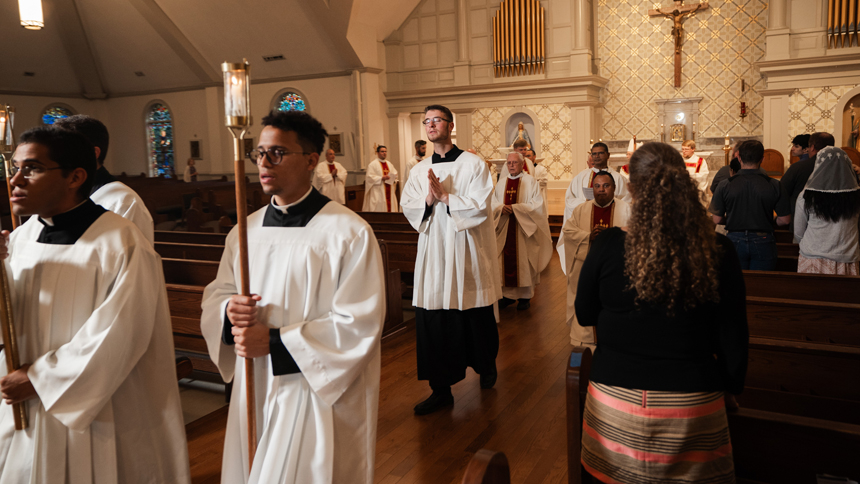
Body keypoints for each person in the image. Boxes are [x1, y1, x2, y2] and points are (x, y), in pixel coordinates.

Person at [201, 110, 384, 483]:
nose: (264, 163)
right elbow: (218, 292)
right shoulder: (244, 231)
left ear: (311, 160)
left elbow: (358, 323)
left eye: (278, 153)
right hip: (254, 381)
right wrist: (227, 311)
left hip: (313, 388)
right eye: (260, 153)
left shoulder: (348, 233)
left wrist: (272, 342)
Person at [0, 127, 190, 483]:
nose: (16, 180)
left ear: (76, 177)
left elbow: (120, 334)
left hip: (98, 411)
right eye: (15, 167)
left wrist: (41, 378)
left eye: (33, 168)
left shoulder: (120, 242)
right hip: (23, 405)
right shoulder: (21, 239)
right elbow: (9, 321)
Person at [575, 142, 748, 484]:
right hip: (693, 399)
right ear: (684, 181)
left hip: (614, 398)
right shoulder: (718, 249)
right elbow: (733, 332)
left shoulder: (609, 245)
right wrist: (730, 388)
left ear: (631, 188)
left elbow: (584, 313)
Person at [400, 104, 501, 415]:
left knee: (474, 311)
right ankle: (440, 389)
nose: (431, 126)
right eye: (426, 121)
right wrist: (429, 199)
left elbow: (482, 206)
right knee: (433, 315)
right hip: (434, 252)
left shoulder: (473, 164)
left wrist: (447, 197)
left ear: (450, 125)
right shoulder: (418, 171)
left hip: (465, 248)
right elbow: (409, 207)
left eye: (437, 120)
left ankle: (486, 366)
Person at [53, 114, 154, 244]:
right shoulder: (53, 198)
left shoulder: (124, 202)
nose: (54, 158)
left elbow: (137, 261)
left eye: (63, 151)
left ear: (93, 153)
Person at [557, 170, 630, 347]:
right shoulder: (581, 209)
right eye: (597, 186)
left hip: (615, 271)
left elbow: (637, 235)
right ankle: (584, 338)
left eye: (606, 186)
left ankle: (615, 338)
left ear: (614, 188)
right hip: (586, 269)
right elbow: (568, 232)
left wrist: (613, 237)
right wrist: (587, 236)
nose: (601, 190)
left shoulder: (626, 209)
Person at [709, 140, 791, 270]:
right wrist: (770, 220)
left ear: (739, 158)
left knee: (736, 284)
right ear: (762, 159)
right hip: (763, 238)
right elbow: (785, 220)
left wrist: (731, 219)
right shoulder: (775, 185)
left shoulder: (724, 185)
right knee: (762, 284)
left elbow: (717, 219)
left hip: (734, 238)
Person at [493, 152, 552, 310]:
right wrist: (500, 208)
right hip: (505, 227)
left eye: (514, 162)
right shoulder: (501, 183)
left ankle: (525, 297)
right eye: (509, 163)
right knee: (503, 262)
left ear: (522, 164)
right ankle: (507, 296)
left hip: (523, 229)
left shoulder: (530, 181)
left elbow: (537, 205)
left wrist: (516, 208)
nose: (511, 165)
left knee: (524, 261)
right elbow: (493, 202)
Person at [794, 146, 860, 275]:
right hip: (847, 257)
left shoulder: (806, 195)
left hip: (813, 257)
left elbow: (799, 231)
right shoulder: (857, 195)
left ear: (819, 165)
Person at [782, 132, 834, 241]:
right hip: (832, 220)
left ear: (812, 147)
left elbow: (782, 190)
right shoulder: (841, 168)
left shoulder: (798, 167)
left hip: (802, 218)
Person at [564, 142, 631, 220]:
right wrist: (586, 204)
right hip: (586, 219)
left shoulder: (619, 179)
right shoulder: (580, 177)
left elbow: (628, 202)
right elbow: (569, 200)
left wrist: (610, 205)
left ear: (608, 155)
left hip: (611, 218)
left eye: (600, 153)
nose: (597, 156)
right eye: (594, 154)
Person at [363, 145, 399, 212]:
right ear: (377, 153)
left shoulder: (389, 164)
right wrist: (381, 178)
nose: (384, 153)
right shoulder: (373, 164)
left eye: (385, 151)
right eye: (382, 151)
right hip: (378, 191)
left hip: (389, 190)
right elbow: (369, 177)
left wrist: (395, 177)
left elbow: (395, 174)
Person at [526, 148, 549, 216]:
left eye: (528, 156)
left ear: (534, 157)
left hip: (539, 196)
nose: (526, 158)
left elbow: (544, 181)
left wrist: (531, 182)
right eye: (525, 156)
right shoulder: (523, 169)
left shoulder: (541, 169)